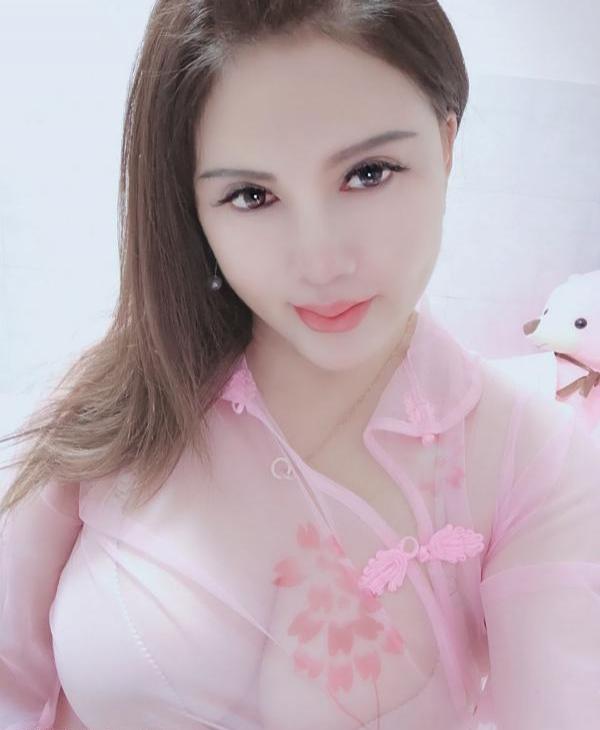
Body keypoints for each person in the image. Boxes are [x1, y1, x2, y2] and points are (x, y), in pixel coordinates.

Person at [2, 2, 600, 729]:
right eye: (251, 195)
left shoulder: (532, 462)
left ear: (446, 145)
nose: (320, 262)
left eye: (368, 173)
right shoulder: (118, 397)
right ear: (192, 205)